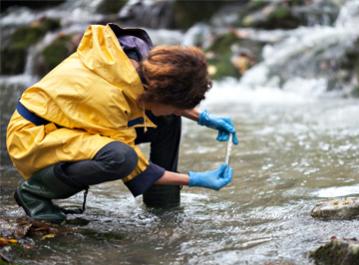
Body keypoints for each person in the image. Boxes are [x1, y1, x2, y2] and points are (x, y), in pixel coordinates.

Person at [6, 23, 238, 224]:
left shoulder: (140, 62)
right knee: (121, 158)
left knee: (168, 120)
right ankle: (34, 193)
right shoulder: (108, 98)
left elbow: (165, 103)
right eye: (174, 104)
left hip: (68, 122)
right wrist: (195, 179)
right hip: (34, 137)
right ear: (158, 95)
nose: (178, 109)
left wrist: (204, 118)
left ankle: (162, 203)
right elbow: (136, 169)